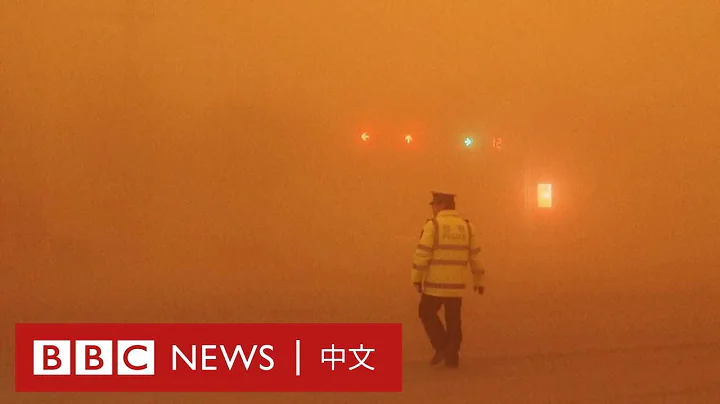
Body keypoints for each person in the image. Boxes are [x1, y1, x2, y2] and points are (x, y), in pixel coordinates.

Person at [411, 191, 485, 368]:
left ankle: (443, 346)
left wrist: (416, 277)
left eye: (434, 205)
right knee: (453, 320)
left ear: (442, 205)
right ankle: (452, 356)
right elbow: (475, 256)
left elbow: (422, 254)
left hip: (435, 285)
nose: (433, 209)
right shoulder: (467, 227)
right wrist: (479, 279)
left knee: (426, 313)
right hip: (456, 285)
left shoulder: (433, 226)